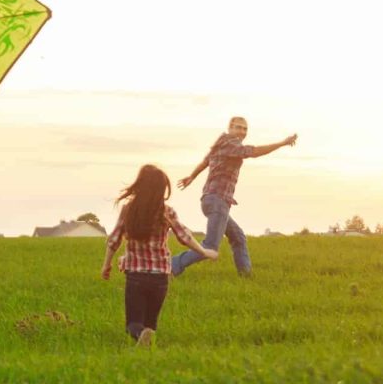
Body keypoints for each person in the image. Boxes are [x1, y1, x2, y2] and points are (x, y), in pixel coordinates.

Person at [102, 164, 217, 346]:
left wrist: (106, 264)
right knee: (151, 325)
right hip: (160, 277)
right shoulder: (166, 211)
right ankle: (147, 346)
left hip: (136, 276)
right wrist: (204, 251)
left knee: (133, 324)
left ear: (139, 185)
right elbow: (184, 236)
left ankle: (140, 336)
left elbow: (114, 240)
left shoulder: (129, 210)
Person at [171, 117, 298, 278]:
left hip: (212, 200)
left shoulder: (220, 144)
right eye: (238, 128)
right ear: (230, 128)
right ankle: (172, 265)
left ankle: (246, 277)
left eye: (245, 129)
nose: (242, 132)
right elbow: (254, 152)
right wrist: (282, 143)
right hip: (218, 201)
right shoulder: (231, 144)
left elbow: (205, 162)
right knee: (210, 246)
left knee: (238, 237)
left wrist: (191, 177)